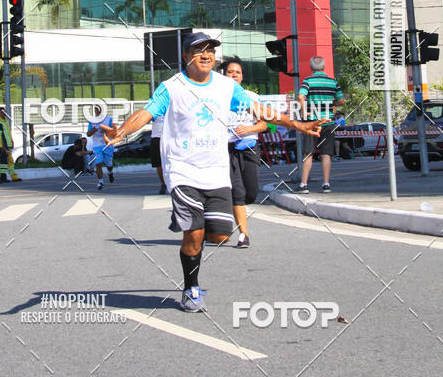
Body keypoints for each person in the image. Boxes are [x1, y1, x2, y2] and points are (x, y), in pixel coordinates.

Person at [104, 31, 321, 312]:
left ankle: (188, 221)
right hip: (181, 170)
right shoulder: (172, 88)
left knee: (219, 236)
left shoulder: (226, 87)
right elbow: (144, 114)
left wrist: (298, 125)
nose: (206, 55)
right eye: (198, 49)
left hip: (216, 171)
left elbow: (258, 109)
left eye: (210, 50)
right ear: (185, 56)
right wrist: (121, 132)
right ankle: (191, 288)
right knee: (194, 233)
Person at [220, 56, 265, 249]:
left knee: (251, 193)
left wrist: (249, 129)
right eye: (230, 72)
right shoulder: (217, 97)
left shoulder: (251, 97)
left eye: (237, 72)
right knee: (237, 192)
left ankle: (228, 210)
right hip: (226, 148)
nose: (234, 75)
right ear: (224, 75)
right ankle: (243, 234)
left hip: (249, 146)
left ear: (242, 76)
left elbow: (264, 124)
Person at [298, 56, 345, 194]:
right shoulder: (333, 82)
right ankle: (326, 184)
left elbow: (301, 96)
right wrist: (331, 104)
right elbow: (341, 101)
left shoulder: (308, 81)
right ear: (323, 67)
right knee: (326, 154)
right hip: (328, 122)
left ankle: (304, 184)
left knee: (308, 153)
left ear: (312, 68)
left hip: (312, 122)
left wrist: (304, 111)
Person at [87, 105, 116, 190]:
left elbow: (113, 132)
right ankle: (100, 182)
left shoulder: (108, 119)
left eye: (99, 110)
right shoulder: (92, 121)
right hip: (97, 145)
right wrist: (93, 130)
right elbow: (88, 134)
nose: (98, 112)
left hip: (107, 144)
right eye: (96, 110)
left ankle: (110, 172)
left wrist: (106, 130)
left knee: (109, 164)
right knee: (98, 163)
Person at [0, 108, 22, 182]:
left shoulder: (5, 121)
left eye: (5, 112)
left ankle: (13, 177)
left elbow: (8, 133)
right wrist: (3, 147)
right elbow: (0, 136)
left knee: (10, 161)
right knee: (4, 162)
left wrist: (12, 141)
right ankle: (3, 177)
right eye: (2, 112)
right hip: (4, 145)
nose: (4, 113)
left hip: (8, 145)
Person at [150, 115, 167, 194]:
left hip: (170, 137)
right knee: (158, 163)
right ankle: (163, 183)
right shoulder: (155, 105)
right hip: (156, 137)